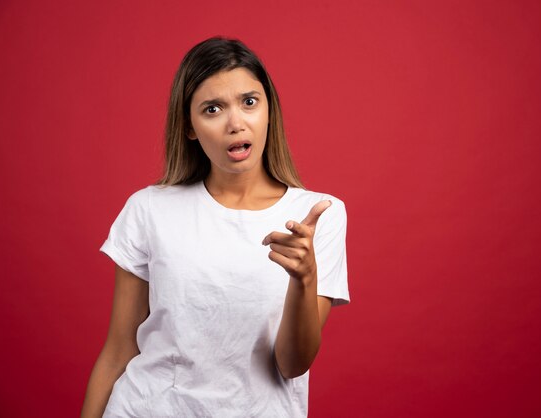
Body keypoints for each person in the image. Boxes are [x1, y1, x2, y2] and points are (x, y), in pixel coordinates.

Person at [81, 36, 350, 418]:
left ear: (269, 111)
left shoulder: (317, 215)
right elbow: (118, 350)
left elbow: (291, 365)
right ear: (190, 127)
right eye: (212, 109)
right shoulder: (149, 208)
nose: (236, 123)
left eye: (249, 102)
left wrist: (304, 278)